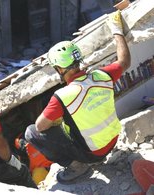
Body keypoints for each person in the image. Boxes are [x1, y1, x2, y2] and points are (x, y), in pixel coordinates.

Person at [24, 10, 131, 183]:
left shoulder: (62, 96)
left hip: (93, 153)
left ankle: (77, 166)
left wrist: (57, 121)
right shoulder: (101, 76)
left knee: (31, 132)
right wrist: (117, 30)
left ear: (59, 69)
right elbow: (124, 61)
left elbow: (40, 126)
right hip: (112, 141)